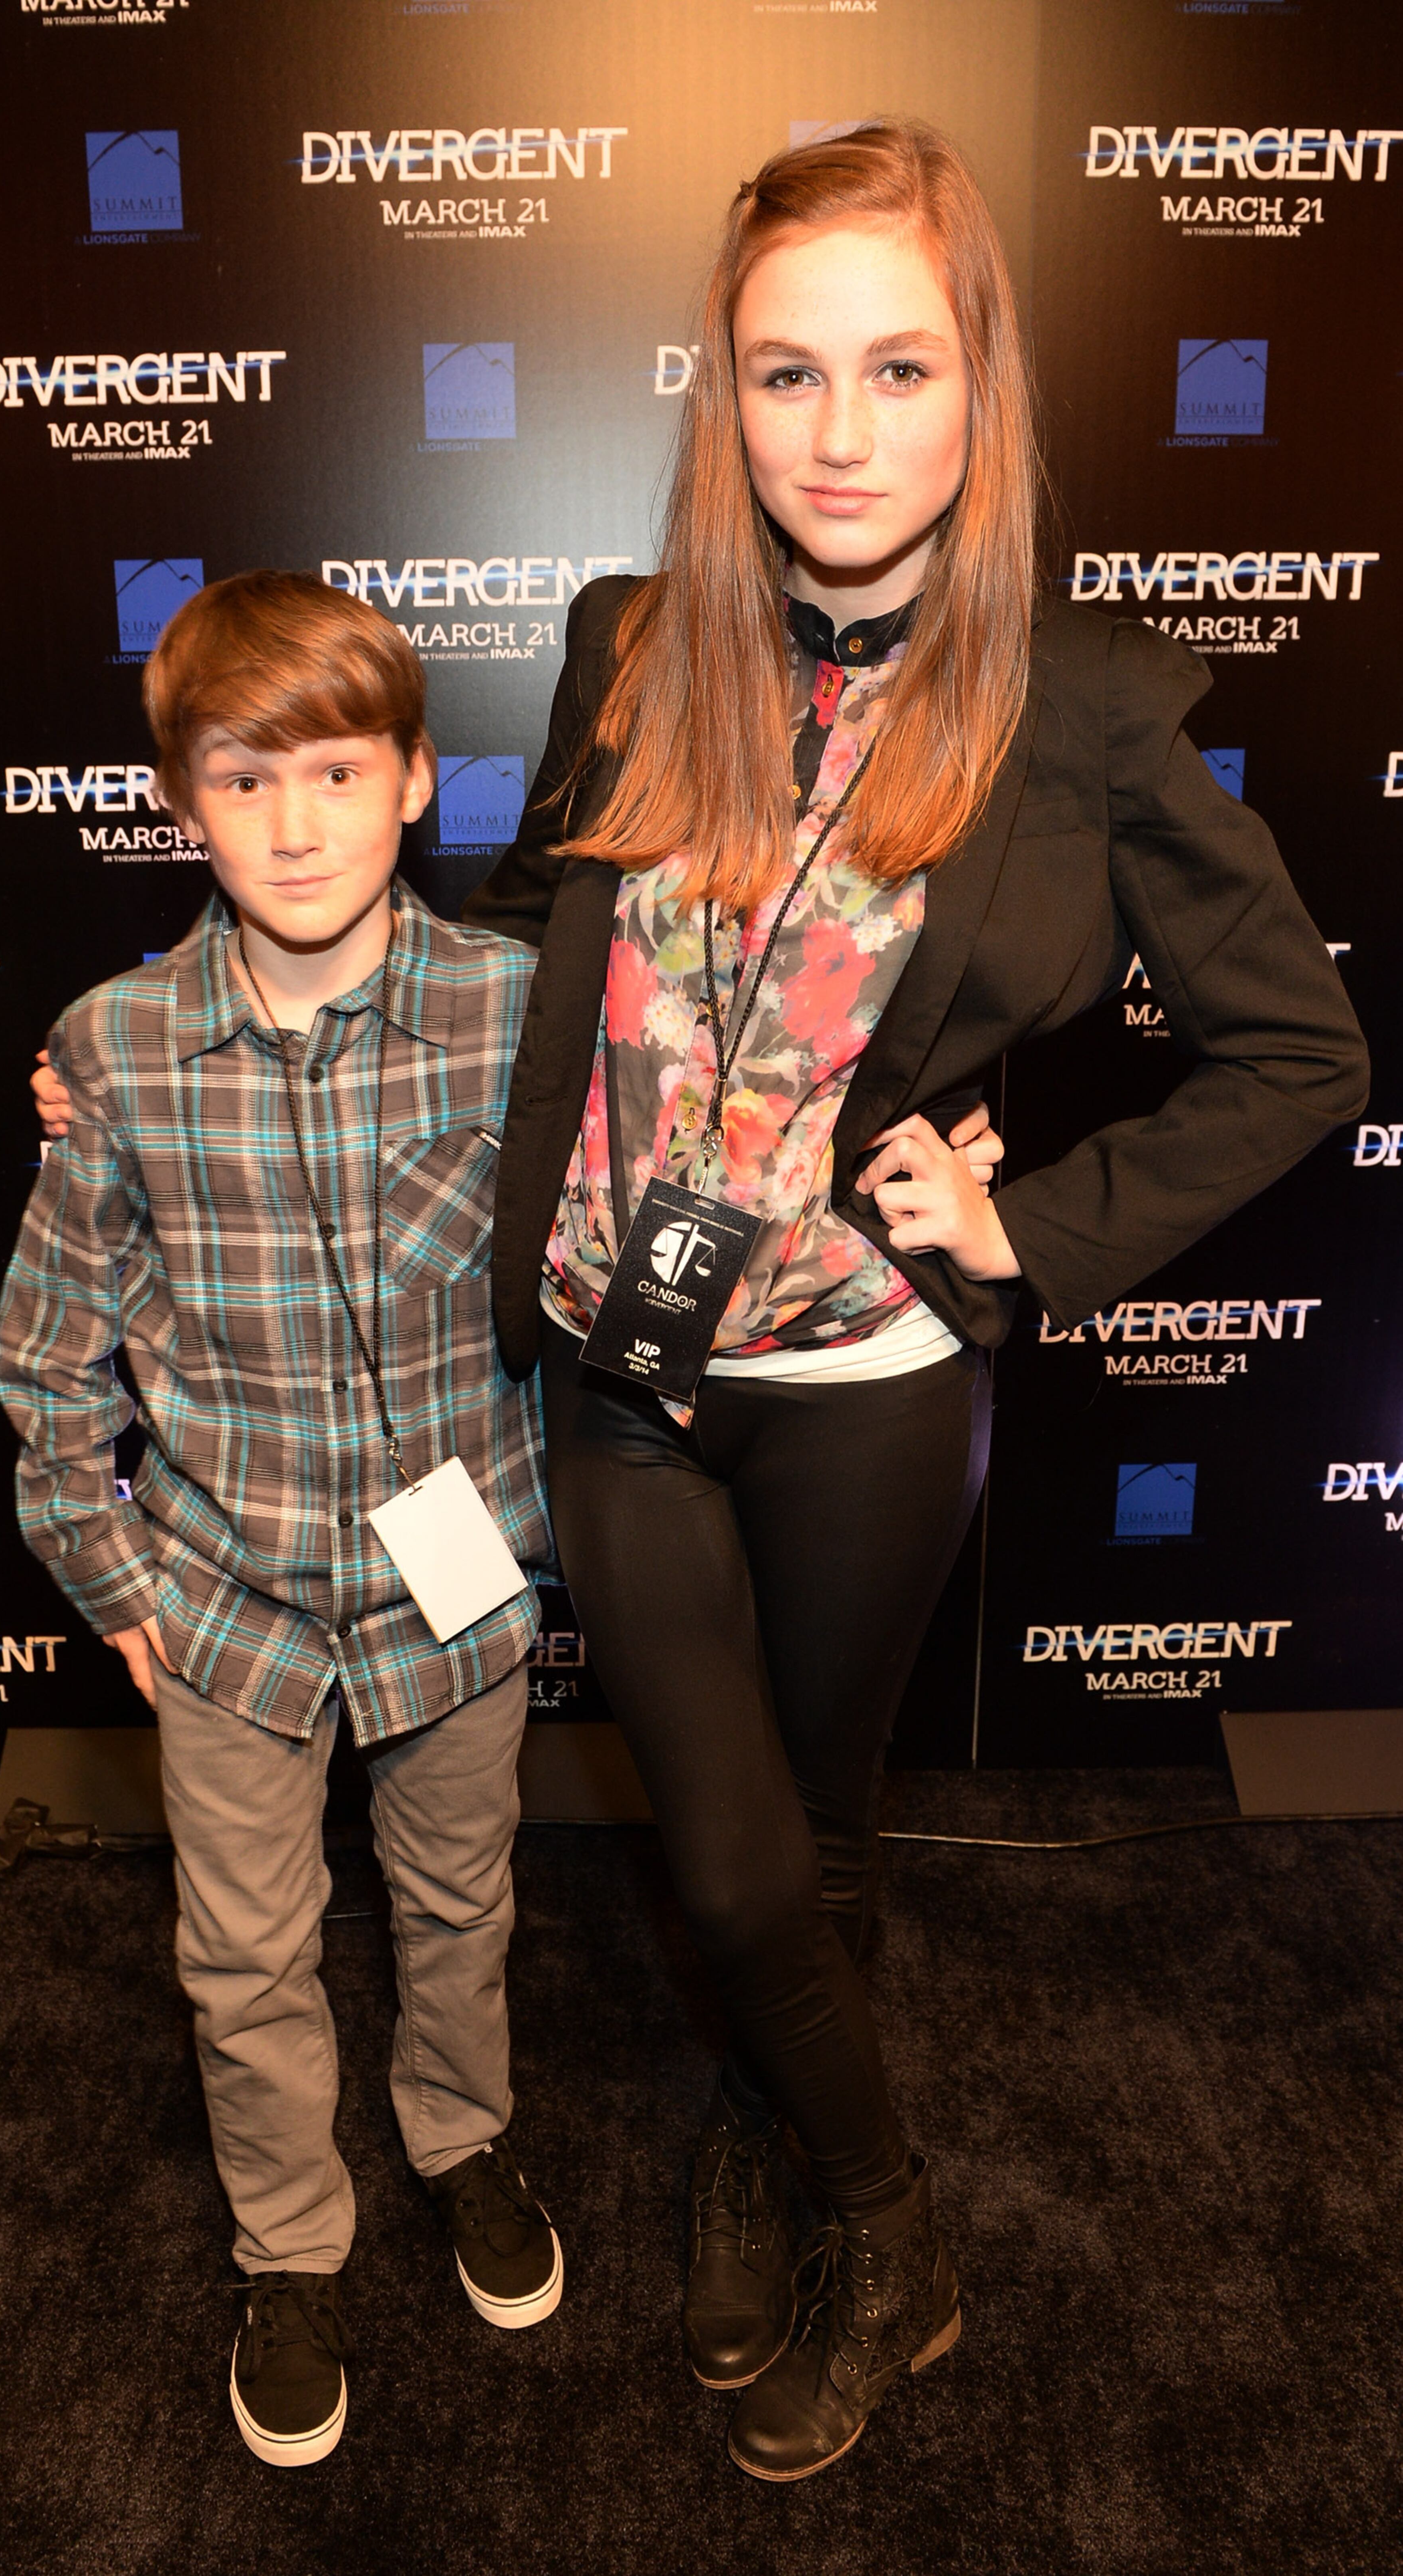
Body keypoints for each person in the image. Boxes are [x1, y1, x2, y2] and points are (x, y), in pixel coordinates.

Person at [455, 120, 1369, 2483]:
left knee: (824, 1829)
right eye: (785, 374)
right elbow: (547, 971)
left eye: (897, 366)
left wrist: (1030, 1226)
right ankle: (902, 2227)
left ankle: (771, 2128)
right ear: (721, 402)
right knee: (732, 1850)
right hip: (622, 1367)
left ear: (983, 391)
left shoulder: (1081, 707)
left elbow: (1303, 1049)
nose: (840, 434)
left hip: (867, 1384)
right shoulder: (628, 643)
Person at [0, 571, 563, 2471]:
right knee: (243, 1952)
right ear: (183, 806)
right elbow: (49, 1350)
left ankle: (465, 2143)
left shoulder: (519, 1015)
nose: (295, 824)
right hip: (227, 1593)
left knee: (460, 1897)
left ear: (418, 782)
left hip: (456, 1576)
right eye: (245, 783)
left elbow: (648, 1240)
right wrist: (110, 1568)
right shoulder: (119, 1052)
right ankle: (288, 2250)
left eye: (336, 771)